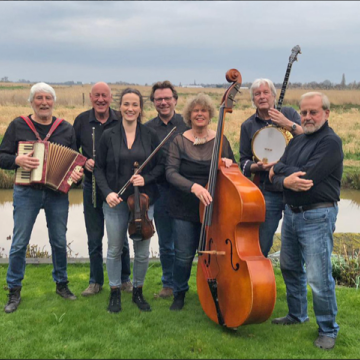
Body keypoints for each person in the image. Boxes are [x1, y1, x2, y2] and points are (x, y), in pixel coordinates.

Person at [0, 82, 84, 313]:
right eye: (39, 98)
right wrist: (17, 160)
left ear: (53, 102)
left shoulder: (65, 128)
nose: (44, 103)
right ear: (31, 102)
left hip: (56, 194)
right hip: (26, 191)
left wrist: (77, 175)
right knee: (19, 243)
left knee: (58, 240)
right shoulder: (19, 125)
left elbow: (75, 163)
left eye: (48, 98)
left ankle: (62, 284)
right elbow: (2, 156)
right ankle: (14, 290)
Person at [269, 92, 343, 350]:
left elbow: (307, 177)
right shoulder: (297, 141)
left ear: (326, 113)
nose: (308, 117)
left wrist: (280, 172)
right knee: (289, 266)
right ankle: (297, 314)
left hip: (317, 215)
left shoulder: (331, 143)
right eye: (304, 112)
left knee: (318, 276)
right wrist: (283, 176)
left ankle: (328, 329)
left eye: (313, 112)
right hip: (291, 213)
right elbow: (276, 175)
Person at [94, 88, 164, 313]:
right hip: (115, 201)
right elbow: (99, 169)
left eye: (135, 104)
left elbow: (161, 167)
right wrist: (107, 193)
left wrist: (145, 178)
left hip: (142, 202)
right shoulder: (109, 135)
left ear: (141, 108)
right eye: (126, 104)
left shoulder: (150, 135)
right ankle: (115, 291)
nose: (130, 108)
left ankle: (138, 291)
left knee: (142, 250)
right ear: (120, 107)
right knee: (114, 248)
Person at [166, 93, 235, 311]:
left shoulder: (221, 140)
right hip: (184, 207)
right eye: (195, 111)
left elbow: (234, 171)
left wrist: (229, 164)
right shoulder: (179, 140)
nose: (199, 114)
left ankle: (217, 291)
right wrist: (194, 187)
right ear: (189, 115)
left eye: (203, 110)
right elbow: (170, 173)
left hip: (214, 208)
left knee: (216, 254)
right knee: (184, 254)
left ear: (210, 114)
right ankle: (179, 293)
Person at [73, 82, 132, 297]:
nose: (100, 99)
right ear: (90, 97)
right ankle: (95, 281)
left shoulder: (121, 118)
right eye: (96, 95)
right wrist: (83, 161)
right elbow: (72, 151)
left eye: (104, 96)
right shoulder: (81, 120)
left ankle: (125, 279)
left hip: (117, 188)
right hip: (91, 186)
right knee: (94, 235)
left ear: (110, 98)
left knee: (120, 237)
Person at [239, 78, 302, 257]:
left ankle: (295, 280)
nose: (262, 96)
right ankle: (256, 278)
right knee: (262, 241)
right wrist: (256, 166)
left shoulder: (289, 113)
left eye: (266, 92)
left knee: (296, 243)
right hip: (268, 190)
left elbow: (307, 138)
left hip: (294, 187)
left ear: (274, 95)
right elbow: (243, 161)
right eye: (257, 94)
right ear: (253, 99)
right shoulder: (248, 125)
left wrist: (286, 123)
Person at [145, 81, 188, 298]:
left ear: (175, 100)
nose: (163, 102)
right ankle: (168, 284)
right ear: (153, 102)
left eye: (167, 98)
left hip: (185, 192)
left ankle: (184, 284)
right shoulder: (147, 128)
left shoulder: (187, 124)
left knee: (186, 242)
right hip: (160, 191)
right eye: (158, 99)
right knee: (165, 242)